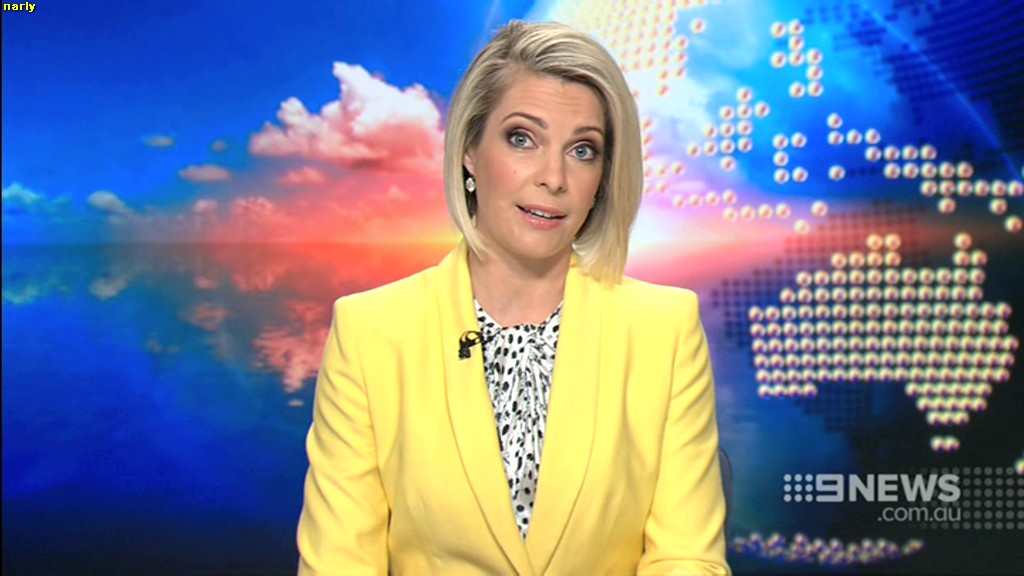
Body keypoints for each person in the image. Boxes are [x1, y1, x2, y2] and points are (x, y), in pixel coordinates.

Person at [297, 20, 730, 575]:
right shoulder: (370, 332)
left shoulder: (664, 329)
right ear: (469, 151)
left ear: (603, 177)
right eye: (522, 138)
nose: (554, 177)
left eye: (583, 150)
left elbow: (687, 558)